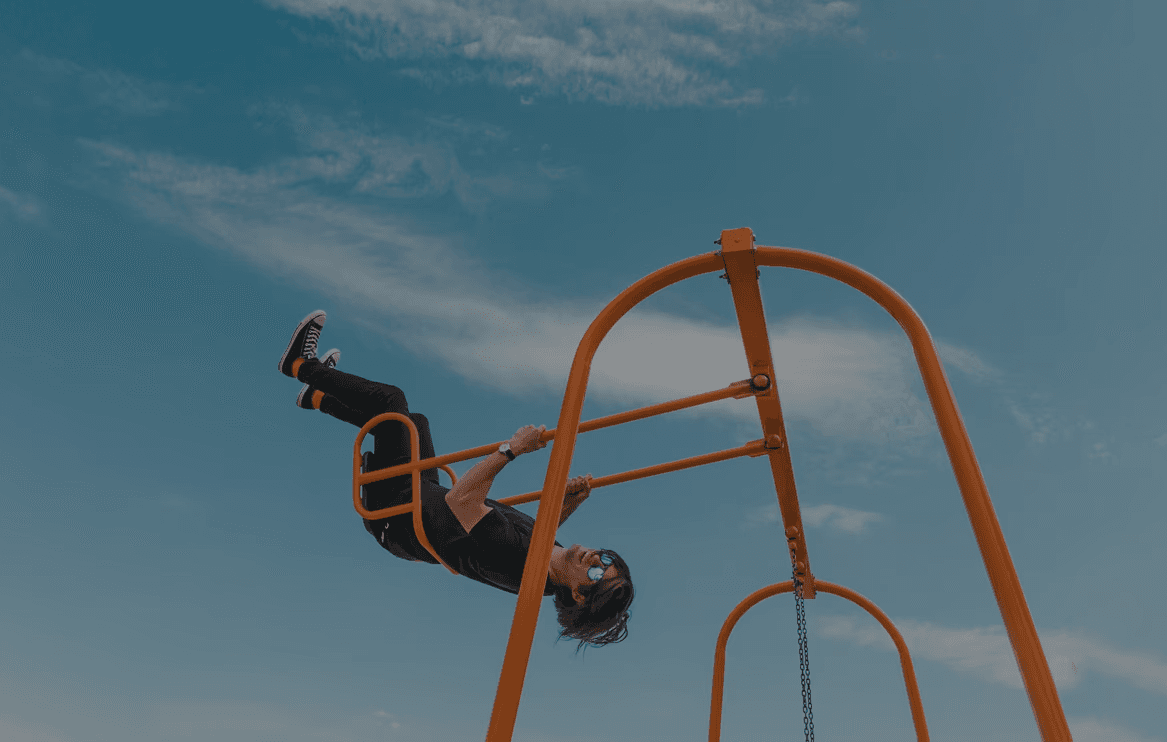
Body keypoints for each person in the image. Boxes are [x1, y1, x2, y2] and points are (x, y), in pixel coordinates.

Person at [278, 310, 634, 650]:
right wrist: (568, 503)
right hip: (420, 499)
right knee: (413, 422)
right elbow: (537, 526)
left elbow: (462, 501)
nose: (594, 560)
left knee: (391, 401)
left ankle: (299, 365)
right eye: (605, 560)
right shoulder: (547, 556)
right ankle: (320, 396)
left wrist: (512, 449)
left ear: (577, 594)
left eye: (594, 576)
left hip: (399, 513)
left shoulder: (521, 563)